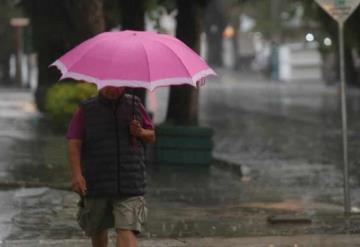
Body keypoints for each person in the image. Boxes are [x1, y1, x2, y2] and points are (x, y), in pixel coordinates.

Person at [67, 86, 155, 247]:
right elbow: (74, 142)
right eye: (108, 85)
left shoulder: (135, 104)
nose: (112, 90)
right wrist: (77, 175)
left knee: (126, 229)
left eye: (116, 86)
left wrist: (140, 132)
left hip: (129, 181)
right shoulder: (86, 109)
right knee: (98, 231)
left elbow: (151, 135)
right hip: (97, 180)